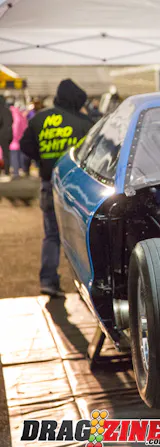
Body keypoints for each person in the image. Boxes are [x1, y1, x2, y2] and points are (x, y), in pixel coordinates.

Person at [20, 79, 94, 297]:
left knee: (51, 235)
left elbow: (25, 146)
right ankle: (86, 285)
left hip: (48, 182)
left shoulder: (39, 119)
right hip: (76, 188)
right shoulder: (84, 123)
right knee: (80, 237)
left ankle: (48, 280)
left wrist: (43, 159)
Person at [9, 101, 29, 177]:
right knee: (18, 155)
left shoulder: (15, 114)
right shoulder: (19, 115)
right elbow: (22, 128)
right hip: (17, 139)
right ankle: (21, 171)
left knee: (15, 156)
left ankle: (16, 172)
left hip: (15, 140)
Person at [0, 95, 13, 176]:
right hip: (8, 134)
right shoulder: (8, 110)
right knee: (6, 154)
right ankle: (7, 171)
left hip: (1, 134)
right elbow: (12, 121)